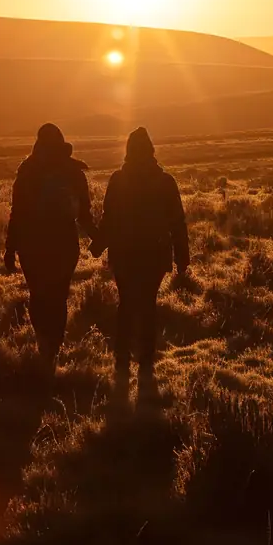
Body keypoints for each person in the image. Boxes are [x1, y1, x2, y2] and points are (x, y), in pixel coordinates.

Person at [90, 127, 189, 380]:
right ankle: (145, 360)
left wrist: (98, 245)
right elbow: (178, 222)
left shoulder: (118, 180)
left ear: (128, 151)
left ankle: (122, 358)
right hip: (155, 254)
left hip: (124, 254)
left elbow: (109, 218)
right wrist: (182, 256)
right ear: (151, 150)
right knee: (147, 305)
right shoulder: (165, 181)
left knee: (126, 304)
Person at [4, 123, 95, 366]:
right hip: (64, 243)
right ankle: (53, 346)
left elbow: (17, 213)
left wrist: (10, 249)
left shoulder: (27, 170)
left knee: (38, 295)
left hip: (31, 244)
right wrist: (99, 239)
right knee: (58, 297)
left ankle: (43, 343)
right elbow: (84, 214)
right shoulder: (73, 171)